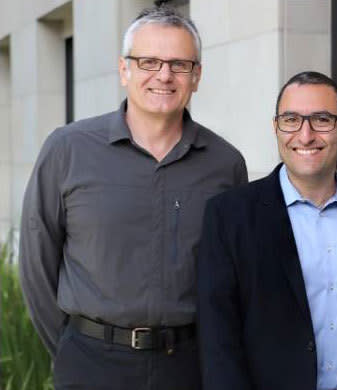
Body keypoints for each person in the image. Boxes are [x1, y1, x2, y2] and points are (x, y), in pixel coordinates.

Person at [19, 7, 247, 390]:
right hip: (91, 365)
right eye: (149, 62)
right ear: (124, 70)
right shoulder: (68, 149)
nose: (164, 75)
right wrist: (70, 348)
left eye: (179, 63)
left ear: (197, 76)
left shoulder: (225, 164)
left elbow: (235, 276)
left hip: (189, 367)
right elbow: (36, 264)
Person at [197, 71, 337, 390]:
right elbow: (218, 340)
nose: (305, 136)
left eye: (321, 120)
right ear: (276, 128)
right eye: (291, 120)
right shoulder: (229, 215)